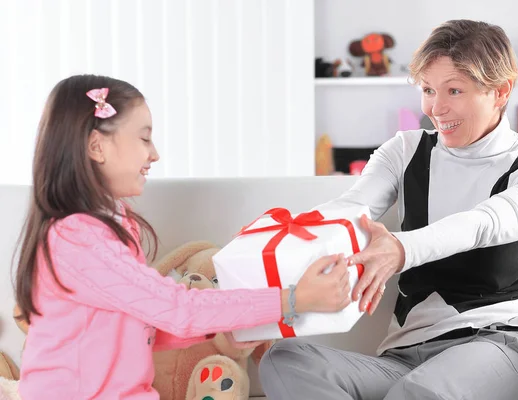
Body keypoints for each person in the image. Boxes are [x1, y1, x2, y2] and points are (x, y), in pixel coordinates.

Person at [259, 19, 518, 400]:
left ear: (501, 91)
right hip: (405, 360)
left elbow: (482, 224)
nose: (435, 109)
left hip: (497, 348)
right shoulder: (405, 150)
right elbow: (352, 208)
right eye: (427, 90)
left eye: (453, 90)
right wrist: (268, 249)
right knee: (286, 359)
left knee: (421, 391)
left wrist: (400, 248)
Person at [12, 74, 352, 399]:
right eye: (144, 138)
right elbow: (176, 307)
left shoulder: (106, 229)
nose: (154, 154)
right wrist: (291, 300)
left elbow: (140, 325)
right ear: (96, 146)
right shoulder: (77, 240)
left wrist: (228, 330)